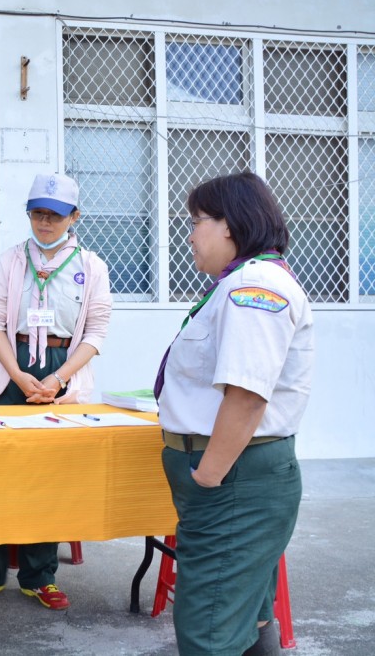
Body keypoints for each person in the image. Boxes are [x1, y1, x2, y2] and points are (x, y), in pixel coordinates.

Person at [155, 172, 313, 655]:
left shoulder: (255, 287)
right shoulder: (237, 285)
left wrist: (207, 478)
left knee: (209, 626)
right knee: (246, 612)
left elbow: (246, 396)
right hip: (233, 478)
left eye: (197, 221)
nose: (190, 235)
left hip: (231, 481)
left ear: (230, 225)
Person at [0, 172, 112, 610]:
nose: (45, 222)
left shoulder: (91, 266)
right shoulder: (11, 260)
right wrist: (16, 373)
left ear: (74, 217)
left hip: (60, 371)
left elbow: (97, 331)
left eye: (55, 215)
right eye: (37, 214)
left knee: (49, 479)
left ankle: (39, 576)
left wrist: (59, 378)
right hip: (10, 369)